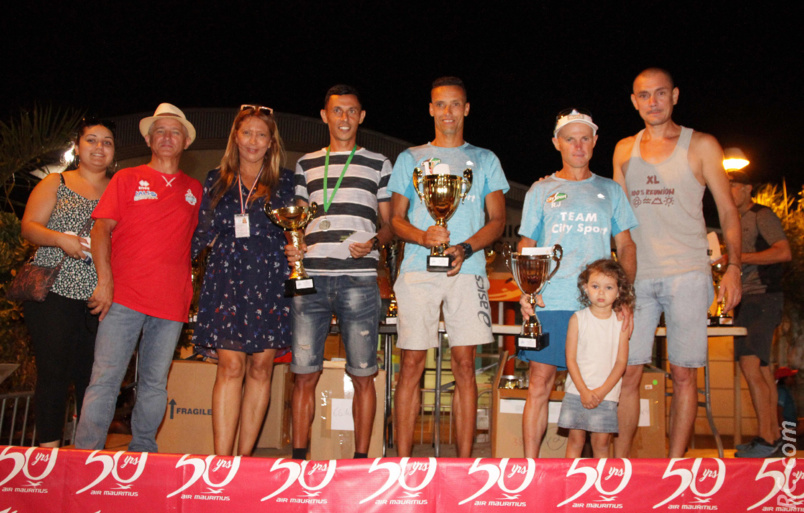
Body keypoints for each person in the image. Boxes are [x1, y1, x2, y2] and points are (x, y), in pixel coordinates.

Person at [613, 68, 742, 458]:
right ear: (634, 101)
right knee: (628, 372)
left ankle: (674, 468)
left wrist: (733, 268)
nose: (653, 102)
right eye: (644, 95)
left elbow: (728, 210)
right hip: (638, 277)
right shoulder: (623, 149)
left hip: (687, 272)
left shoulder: (701, 145)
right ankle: (620, 466)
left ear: (675, 96)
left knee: (685, 374)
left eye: (660, 93)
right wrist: (615, 279)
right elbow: (619, 222)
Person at [389, 77, 508, 458]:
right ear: (430, 109)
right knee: (411, 363)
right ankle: (403, 462)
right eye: (441, 105)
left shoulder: (486, 159)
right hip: (417, 269)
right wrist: (424, 238)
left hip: (467, 269)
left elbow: (497, 220)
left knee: (464, 364)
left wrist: (464, 247)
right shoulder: (410, 158)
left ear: (467, 108)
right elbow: (396, 219)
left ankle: (464, 463)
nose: (448, 113)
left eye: (455, 104)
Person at [75, 103, 202, 452]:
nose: (167, 137)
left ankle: (143, 452)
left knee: (154, 384)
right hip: (123, 297)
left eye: (175, 131)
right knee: (105, 380)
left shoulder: (195, 190)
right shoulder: (127, 178)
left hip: (171, 302)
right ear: (148, 138)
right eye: (159, 130)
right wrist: (104, 282)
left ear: (186, 142)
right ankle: (87, 456)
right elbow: (101, 230)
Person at [518, 108, 637, 457]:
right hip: (550, 302)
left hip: (597, 308)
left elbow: (627, 245)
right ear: (557, 143)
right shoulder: (540, 190)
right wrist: (527, 292)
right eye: (571, 138)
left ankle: (598, 476)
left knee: (601, 386)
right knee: (539, 384)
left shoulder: (611, 190)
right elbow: (527, 245)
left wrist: (625, 297)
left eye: (585, 137)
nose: (578, 145)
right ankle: (530, 468)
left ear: (595, 142)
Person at [285, 85, 392, 460]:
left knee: (363, 374)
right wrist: (293, 244)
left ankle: (361, 462)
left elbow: (391, 225)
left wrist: (376, 242)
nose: (344, 118)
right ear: (324, 115)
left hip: (359, 279)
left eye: (351, 111)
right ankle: (299, 461)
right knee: (303, 374)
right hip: (309, 278)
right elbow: (296, 218)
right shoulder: (305, 164)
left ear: (361, 117)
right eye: (337, 111)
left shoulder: (380, 163)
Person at [192, 105, 293, 456]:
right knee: (231, 365)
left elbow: (296, 233)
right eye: (247, 133)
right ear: (236, 137)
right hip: (226, 279)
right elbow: (199, 233)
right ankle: (222, 461)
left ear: (271, 143)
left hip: (269, 280)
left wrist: (299, 248)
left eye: (261, 134)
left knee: (262, 367)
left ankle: (244, 460)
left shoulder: (286, 182)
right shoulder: (214, 179)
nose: (253, 141)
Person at [20, 118, 116, 447]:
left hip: (99, 296)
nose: (99, 147)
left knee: (93, 378)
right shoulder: (56, 182)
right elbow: (29, 227)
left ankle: (86, 453)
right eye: (92, 140)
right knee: (53, 374)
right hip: (54, 290)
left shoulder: (120, 188)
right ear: (78, 147)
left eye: (106, 142)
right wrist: (61, 239)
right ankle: (48, 453)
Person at [728, 170, 792, 458]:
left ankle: (768, 439)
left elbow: (783, 252)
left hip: (764, 297)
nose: (727, 192)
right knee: (758, 369)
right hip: (746, 300)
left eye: (732, 187)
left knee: (754, 367)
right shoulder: (735, 221)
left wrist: (738, 259)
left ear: (746, 188)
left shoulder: (761, 214)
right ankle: (771, 437)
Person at [559, 259, 632, 458]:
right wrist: (583, 391)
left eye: (608, 287)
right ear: (585, 288)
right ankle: (569, 484)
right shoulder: (578, 319)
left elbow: (621, 362)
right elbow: (570, 359)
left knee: (601, 444)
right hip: (577, 392)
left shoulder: (621, 325)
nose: (601, 292)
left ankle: (601, 487)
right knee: (576, 441)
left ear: (618, 291)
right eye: (595, 286)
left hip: (606, 395)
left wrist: (601, 392)